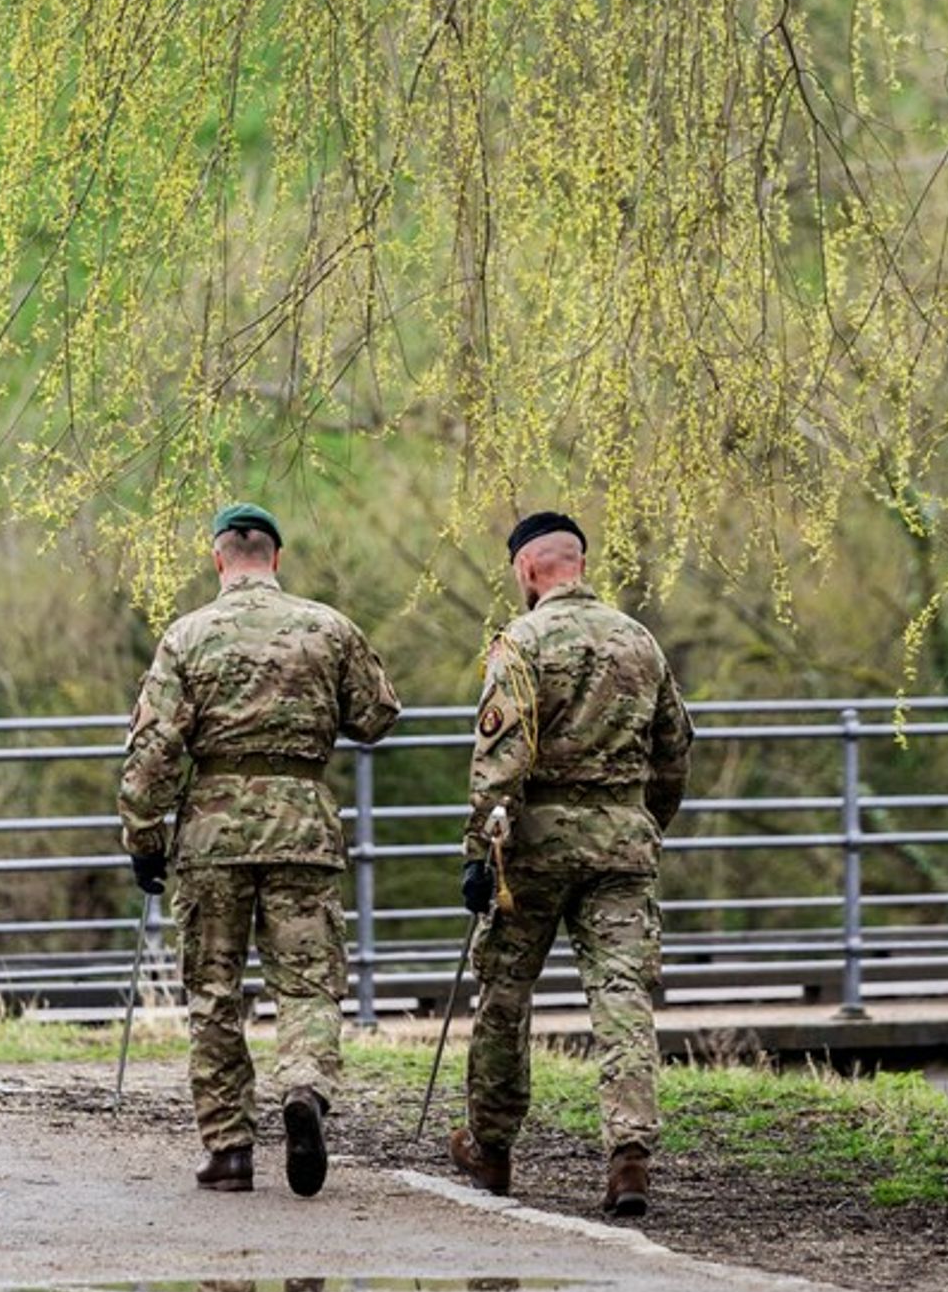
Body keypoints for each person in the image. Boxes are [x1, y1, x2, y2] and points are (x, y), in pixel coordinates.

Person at [119, 503, 401, 1198]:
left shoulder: (187, 636)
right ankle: (304, 1087)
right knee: (306, 982)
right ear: (275, 557)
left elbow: (153, 750)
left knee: (214, 991)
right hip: (301, 823)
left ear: (219, 559)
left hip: (213, 831)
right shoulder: (326, 626)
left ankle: (230, 1149)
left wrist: (144, 835)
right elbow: (377, 715)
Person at [448, 511, 692, 1216]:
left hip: (535, 844)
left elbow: (500, 759)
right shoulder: (639, 641)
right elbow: (675, 749)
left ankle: (491, 1147)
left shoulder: (521, 643)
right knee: (621, 994)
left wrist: (477, 850)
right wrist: (643, 820)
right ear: (579, 563)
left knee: (504, 989)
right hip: (622, 837)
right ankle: (629, 1157)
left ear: (527, 569)